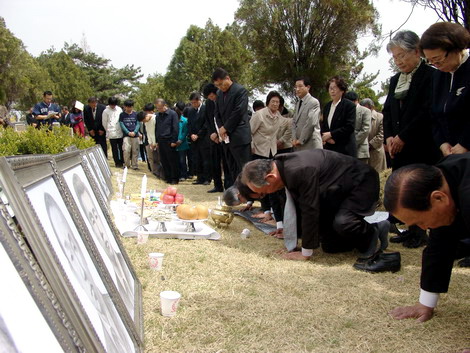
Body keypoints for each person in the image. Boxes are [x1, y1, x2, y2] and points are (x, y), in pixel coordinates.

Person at [241, 149, 391, 267]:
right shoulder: (282, 168)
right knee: (330, 246)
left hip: (361, 183)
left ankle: (371, 233)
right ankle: (376, 227)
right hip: (336, 190)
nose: (263, 195)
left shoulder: (298, 169)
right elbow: (297, 207)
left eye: (263, 191)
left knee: (344, 223)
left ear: (270, 178)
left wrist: (305, 253)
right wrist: (293, 241)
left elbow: (309, 209)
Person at [383, 154, 470, 322]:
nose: (424, 228)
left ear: (438, 197)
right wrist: (426, 303)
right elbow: (439, 246)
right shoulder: (444, 177)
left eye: (421, 221)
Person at [383, 30, 441, 248]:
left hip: (421, 144)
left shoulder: (431, 76)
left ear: (417, 52)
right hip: (398, 147)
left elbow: (426, 111)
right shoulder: (395, 80)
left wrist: (403, 136)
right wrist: (389, 137)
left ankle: (423, 231)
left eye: (402, 55)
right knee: (405, 189)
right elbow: (388, 111)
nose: (398, 61)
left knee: (420, 189)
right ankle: (410, 228)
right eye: (395, 57)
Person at [420, 21, 470, 268]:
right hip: (448, 152)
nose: (435, 65)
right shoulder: (438, 77)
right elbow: (435, 115)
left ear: (456, 49)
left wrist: (465, 144)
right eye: (430, 61)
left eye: (438, 58)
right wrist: (443, 144)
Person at [211, 68, 252, 186]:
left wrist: (226, 127)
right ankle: (238, 193)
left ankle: (250, 195)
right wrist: (220, 129)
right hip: (226, 138)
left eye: (221, 84)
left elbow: (239, 112)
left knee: (245, 168)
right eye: (217, 85)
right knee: (231, 167)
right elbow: (217, 113)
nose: (220, 87)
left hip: (239, 136)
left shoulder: (240, 91)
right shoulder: (219, 94)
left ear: (227, 78)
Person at [203, 83, 230, 193]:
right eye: (209, 97)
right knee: (214, 162)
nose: (211, 98)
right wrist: (212, 134)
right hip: (214, 138)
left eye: (212, 96)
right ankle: (217, 185)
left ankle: (228, 186)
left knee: (227, 163)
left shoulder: (223, 100)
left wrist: (221, 134)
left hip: (225, 136)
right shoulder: (209, 103)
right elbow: (208, 120)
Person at [321, 76, 357, 157]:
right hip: (329, 148)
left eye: (335, 88)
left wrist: (332, 135)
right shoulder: (327, 107)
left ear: (342, 90)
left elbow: (349, 127)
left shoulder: (349, 105)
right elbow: (323, 125)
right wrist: (327, 138)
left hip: (345, 149)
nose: (332, 91)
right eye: (330, 88)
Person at [291, 77, 322, 151]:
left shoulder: (313, 102)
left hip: (311, 145)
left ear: (308, 87)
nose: (297, 89)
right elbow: (294, 122)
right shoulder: (298, 103)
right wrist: (294, 139)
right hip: (298, 146)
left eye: (300, 86)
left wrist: (301, 140)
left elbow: (310, 123)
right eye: (296, 87)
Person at [187, 92, 210, 185]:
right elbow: (189, 124)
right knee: (197, 158)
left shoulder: (205, 109)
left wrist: (198, 135)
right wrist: (191, 134)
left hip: (204, 138)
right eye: (192, 103)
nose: (193, 104)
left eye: (194, 102)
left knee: (206, 159)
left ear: (199, 101)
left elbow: (206, 124)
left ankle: (207, 178)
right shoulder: (191, 111)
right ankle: (199, 178)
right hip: (194, 139)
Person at [155, 98, 180, 184]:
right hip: (161, 140)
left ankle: (174, 178)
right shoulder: (158, 115)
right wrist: (157, 141)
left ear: (164, 105)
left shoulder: (172, 114)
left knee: (172, 160)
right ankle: (168, 177)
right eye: (157, 108)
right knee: (164, 160)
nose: (159, 110)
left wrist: (174, 140)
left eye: (160, 108)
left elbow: (175, 128)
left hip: (169, 140)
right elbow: (157, 128)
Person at [360, 98, 387, 173]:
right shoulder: (360, 117)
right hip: (363, 153)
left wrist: (369, 145)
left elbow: (381, 135)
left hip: (376, 152)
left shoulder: (380, 117)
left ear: (371, 107)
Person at [344, 91, 371, 163]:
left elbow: (366, 129)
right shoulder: (345, 111)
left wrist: (353, 143)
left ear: (356, 101)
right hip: (346, 151)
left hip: (361, 150)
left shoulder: (365, 111)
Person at [139, 103, 164, 179]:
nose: (144, 122)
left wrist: (156, 142)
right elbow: (148, 133)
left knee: (161, 159)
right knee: (154, 159)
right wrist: (151, 143)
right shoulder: (146, 123)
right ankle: (156, 173)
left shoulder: (155, 118)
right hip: (151, 143)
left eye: (144, 120)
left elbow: (156, 132)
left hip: (158, 142)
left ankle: (163, 175)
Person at [102, 97, 124, 168]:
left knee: (121, 148)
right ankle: (117, 162)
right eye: (112, 105)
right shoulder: (106, 111)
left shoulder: (119, 109)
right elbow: (104, 122)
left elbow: (121, 119)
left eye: (114, 105)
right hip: (111, 132)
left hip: (119, 131)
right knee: (114, 149)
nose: (113, 106)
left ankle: (122, 161)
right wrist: (108, 129)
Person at [119, 99, 140, 170]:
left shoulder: (136, 114)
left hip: (135, 135)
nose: (129, 108)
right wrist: (128, 132)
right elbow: (121, 124)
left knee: (135, 151)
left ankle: (135, 165)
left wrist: (135, 131)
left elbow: (138, 124)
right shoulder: (122, 115)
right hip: (126, 136)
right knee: (126, 150)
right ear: (125, 107)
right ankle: (126, 165)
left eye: (130, 107)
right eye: (127, 107)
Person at [174, 102, 189, 180]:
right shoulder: (173, 121)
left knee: (182, 160)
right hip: (174, 144)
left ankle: (184, 174)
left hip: (182, 144)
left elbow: (185, 131)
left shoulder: (185, 121)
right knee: (176, 161)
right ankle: (178, 174)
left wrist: (180, 140)